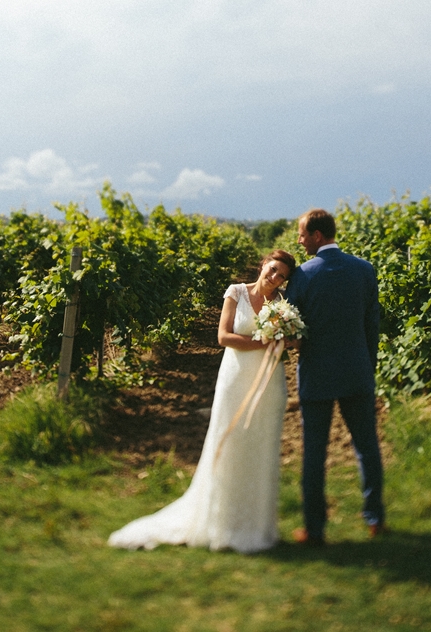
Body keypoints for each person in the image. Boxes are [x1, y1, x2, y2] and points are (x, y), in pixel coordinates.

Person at [107, 249, 297, 553]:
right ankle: (220, 522)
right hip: (235, 378)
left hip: (269, 382)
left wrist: (287, 336)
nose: (274, 278)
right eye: (272, 270)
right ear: (263, 265)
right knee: (230, 440)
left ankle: (254, 524)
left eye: (281, 276)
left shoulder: (283, 303)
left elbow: (295, 339)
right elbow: (223, 337)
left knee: (260, 446)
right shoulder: (237, 292)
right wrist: (261, 340)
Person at [285, 209, 384, 545]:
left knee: (314, 453)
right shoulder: (364, 270)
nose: (299, 241)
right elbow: (372, 325)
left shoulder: (302, 276)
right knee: (367, 448)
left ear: (316, 236)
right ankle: (375, 518)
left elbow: (293, 329)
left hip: (317, 375)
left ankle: (315, 529)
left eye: (301, 234)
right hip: (357, 371)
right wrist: (367, 365)